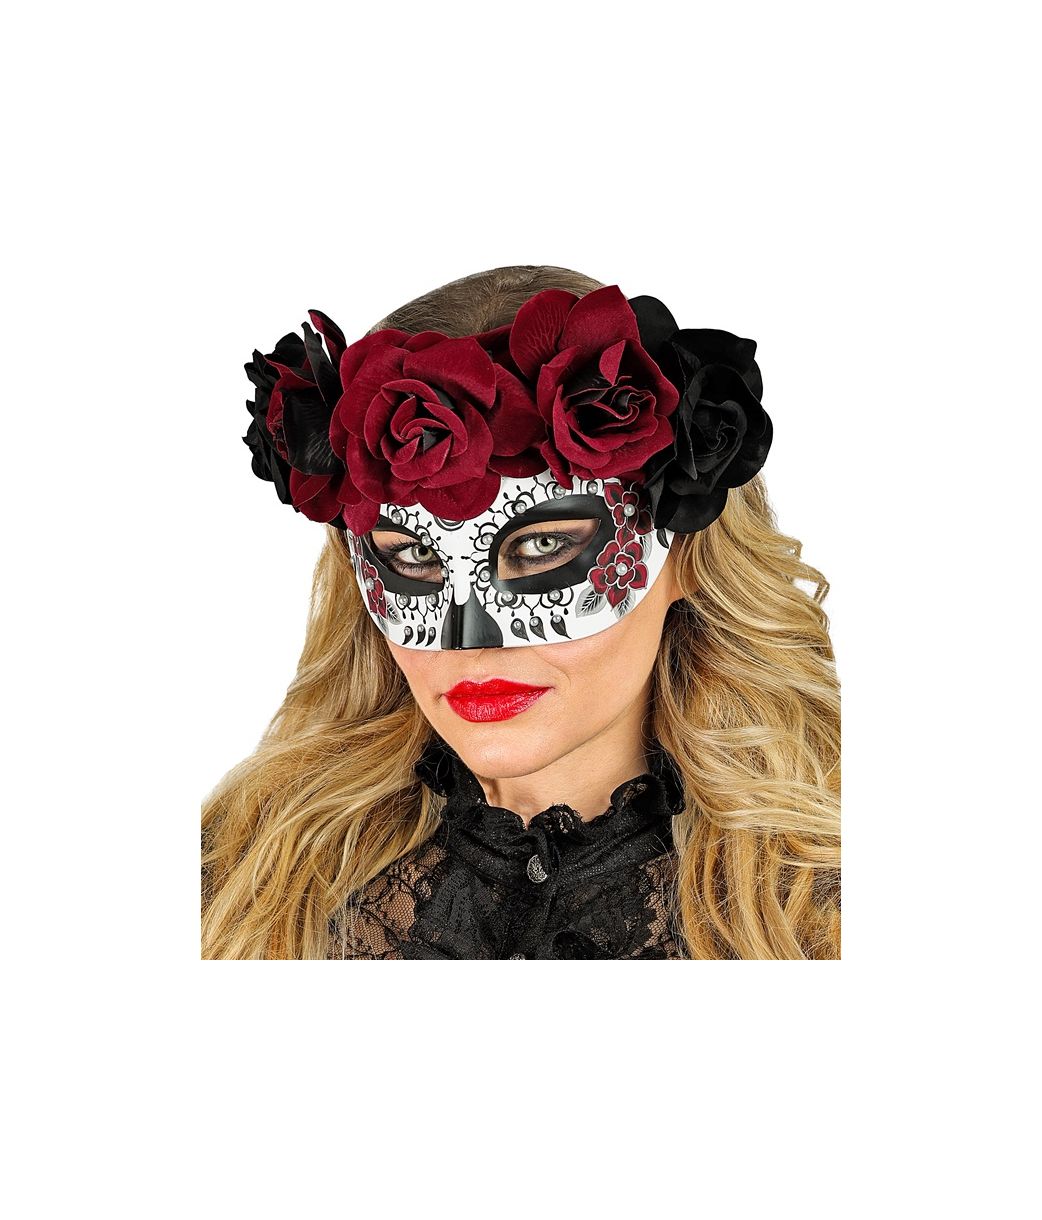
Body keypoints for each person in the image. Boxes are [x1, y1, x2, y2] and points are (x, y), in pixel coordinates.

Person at [201, 264, 841, 960]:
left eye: (542, 546)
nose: (472, 641)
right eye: (412, 555)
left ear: (683, 553)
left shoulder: (826, 913)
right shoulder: (232, 886)